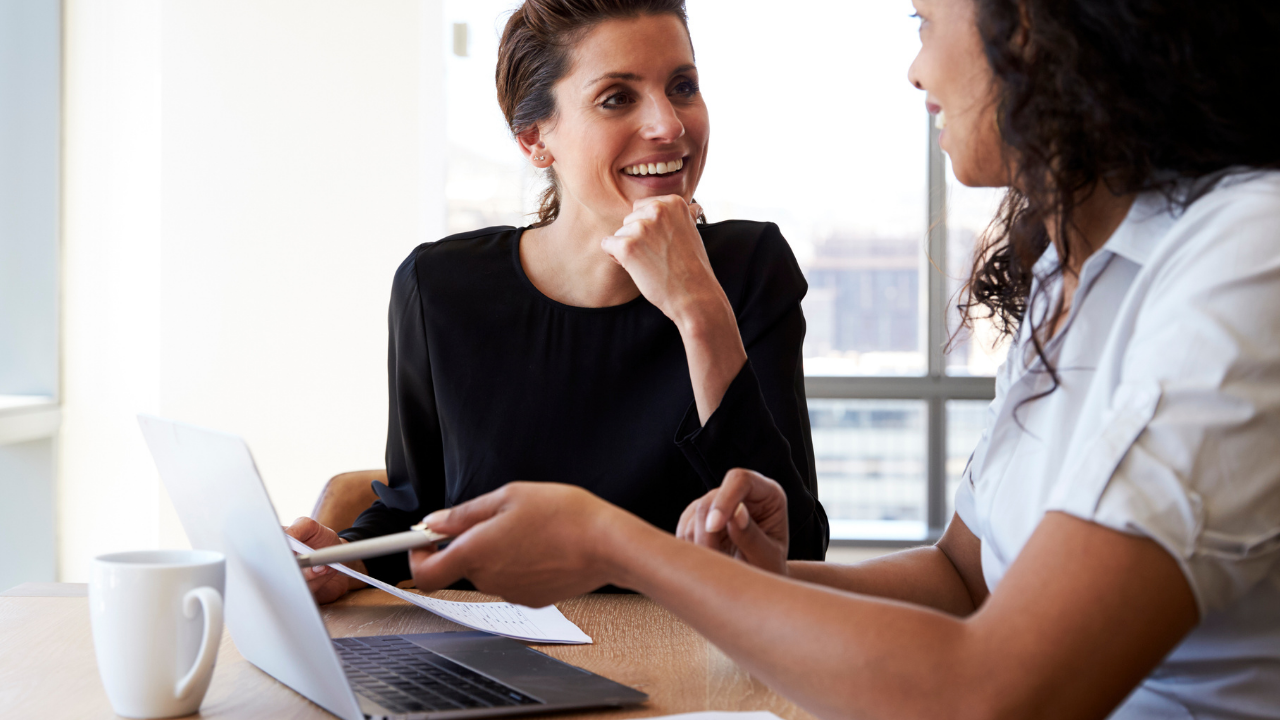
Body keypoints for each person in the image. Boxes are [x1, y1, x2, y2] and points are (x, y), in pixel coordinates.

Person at [401, 0, 1280, 717]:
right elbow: (963, 577)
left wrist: (616, 546)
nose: (917, 70)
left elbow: (996, 689)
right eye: (617, 97)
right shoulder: (1070, 275)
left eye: (924, 23)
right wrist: (767, 581)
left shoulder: (1247, 254)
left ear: (1036, 33)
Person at [287, 0, 829, 603]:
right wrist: (343, 561)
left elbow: (796, 551)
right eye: (617, 97)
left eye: (682, 86)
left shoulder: (750, 268)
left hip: (687, 667)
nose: (670, 125)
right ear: (534, 138)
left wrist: (699, 309)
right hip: (496, 667)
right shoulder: (439, 287)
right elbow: (419, 512)